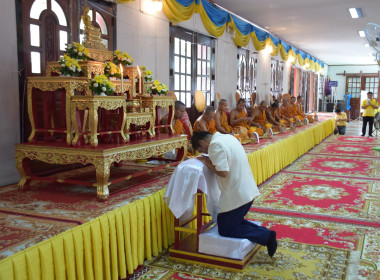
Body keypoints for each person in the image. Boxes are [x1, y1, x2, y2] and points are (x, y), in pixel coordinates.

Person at [191, 131, 277, 257]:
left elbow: (224, 172)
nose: (205, 153)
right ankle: (266, 233)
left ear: (201, 142)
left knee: (226, 229)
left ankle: (266, 236)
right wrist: (209, 159)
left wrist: (206, 161)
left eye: (201, 149)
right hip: (246, 191)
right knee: (231, 222)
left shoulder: (215, 145)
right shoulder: (227, 137)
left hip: (238, 196)